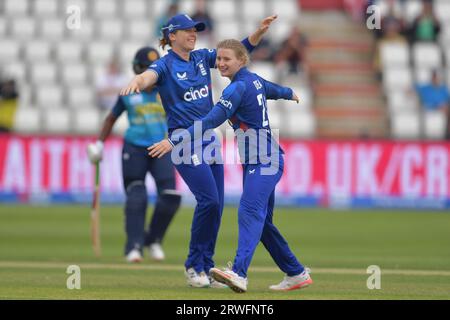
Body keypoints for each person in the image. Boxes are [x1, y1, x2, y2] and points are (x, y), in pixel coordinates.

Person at [120, 13, 278, 288]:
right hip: (183, 143)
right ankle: (194, 265)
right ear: (172, 36)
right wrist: (139, 81)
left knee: (216, 206)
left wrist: (258, 33)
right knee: (210, 201)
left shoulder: (201, 58)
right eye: (187, 30)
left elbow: (238, 51)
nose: (193, 33)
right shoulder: (166, 65)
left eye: (195, 29)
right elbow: (150, 75)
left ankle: (206, 266)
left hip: (209, 140)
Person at [147, 39, 312, 293]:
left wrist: (173, 140)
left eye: (227, 60)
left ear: (241, 61)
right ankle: (295, 272)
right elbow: (271, 89)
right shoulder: (253, 80)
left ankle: (239, 273)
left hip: (264, 158)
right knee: (263, 224)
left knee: (248, 211)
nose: (221, 64)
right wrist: (289, 93)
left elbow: (211, 120)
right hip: (259, 158)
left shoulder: (235, 89)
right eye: (220, 59)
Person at [87, 47, 181, 263]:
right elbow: (111, 118)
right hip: (135, 148)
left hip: (162, 148)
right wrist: (100, 144)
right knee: (136, 196)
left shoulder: (168, 91)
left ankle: (153, 240)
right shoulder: (128, 91)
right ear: (137, 70)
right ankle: (134, 247)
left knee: (170, 196)